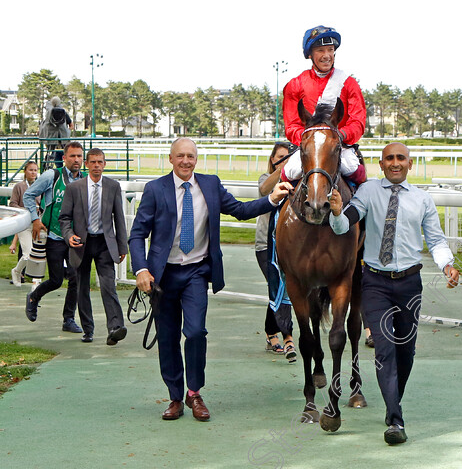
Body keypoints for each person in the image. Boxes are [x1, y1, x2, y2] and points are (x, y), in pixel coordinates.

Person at [129, 138, 292, 422]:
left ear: (196, 159)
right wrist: (141, 269)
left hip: (196, 273)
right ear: (171, 159)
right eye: (180, 156)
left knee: (194, 332)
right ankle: (176, 397)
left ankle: (195, 393)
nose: (185, 161)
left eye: (190, 156)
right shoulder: (156, 189)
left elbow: (240, 211)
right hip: (163, 276)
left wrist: (271, 199)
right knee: (167, 339)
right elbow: (137, 234)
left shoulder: (211, 184)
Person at [328, 142, 459, 445]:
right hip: (375, 282)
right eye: (390, 158)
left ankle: (392, 403)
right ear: (381, 163)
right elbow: (343, 224)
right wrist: (336, 213)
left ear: (409, 164)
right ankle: (395, 419)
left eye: (401, 158)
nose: (395, 163)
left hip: (410, 284)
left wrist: (447, 266)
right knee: (385, 349)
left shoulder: (423, 199)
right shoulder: (368, 191)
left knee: (405, 352)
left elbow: (436, 240)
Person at [281, 25, 366, 185]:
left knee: (355, 170)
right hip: (308, 146)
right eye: (321, 50)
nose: (327, 55)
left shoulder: (349, 83)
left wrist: (340, 136)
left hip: (339, 146)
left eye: (330, 49)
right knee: (289, 171)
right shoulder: (295, 85)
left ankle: (362, 206)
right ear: (310, 55)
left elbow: (358, 122)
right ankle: (276, 209)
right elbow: (291, 126)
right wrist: (312, 140)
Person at [58, 148, 128, 344]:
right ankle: (88, 330)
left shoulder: (113, 186)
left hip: (105, 243)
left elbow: (119, 219)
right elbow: (64, 218)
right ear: (87, 164)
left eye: (100, 162)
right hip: (82, 243)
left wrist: (122, 247)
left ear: (105, 164)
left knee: (108, 286)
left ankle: (115, 328)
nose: (97, 166)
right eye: (93, 162)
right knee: (82, 288)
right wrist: (69, 236)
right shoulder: (74, 188)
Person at [23, 142, 85, 332]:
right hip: (54, 236)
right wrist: (35, 219)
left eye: (79, 156)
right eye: (72, 156)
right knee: (57, 280)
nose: (76, 160)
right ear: (64, 158)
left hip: (75, 238)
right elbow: (28, 195)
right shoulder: (53, 175)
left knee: (76, 279)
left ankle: (68, 319)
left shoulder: (84, 180)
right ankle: (34, 296)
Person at [255, 142, 296, 362]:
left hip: (289, 246)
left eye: (289, 156)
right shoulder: (266, 178)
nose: (284, 159)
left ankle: (272, 332)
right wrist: (284, 168)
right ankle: (288, 337)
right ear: (273, 159)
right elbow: (264, 191)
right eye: (280, 156)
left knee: (280, 289)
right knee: (281, 287)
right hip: (265, 245)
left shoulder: (297, 181)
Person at [9, 161, 39, 287]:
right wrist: (26, 210)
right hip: (24, 223)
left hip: (38, 222)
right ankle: (16, 271)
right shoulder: (19, 187)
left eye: (35, 170)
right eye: (30, 170)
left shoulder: (40, 185)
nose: (33, 172)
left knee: (39, 254)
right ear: (25, 172)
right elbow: (13, 203)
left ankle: (36, 282)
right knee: (28, 254)